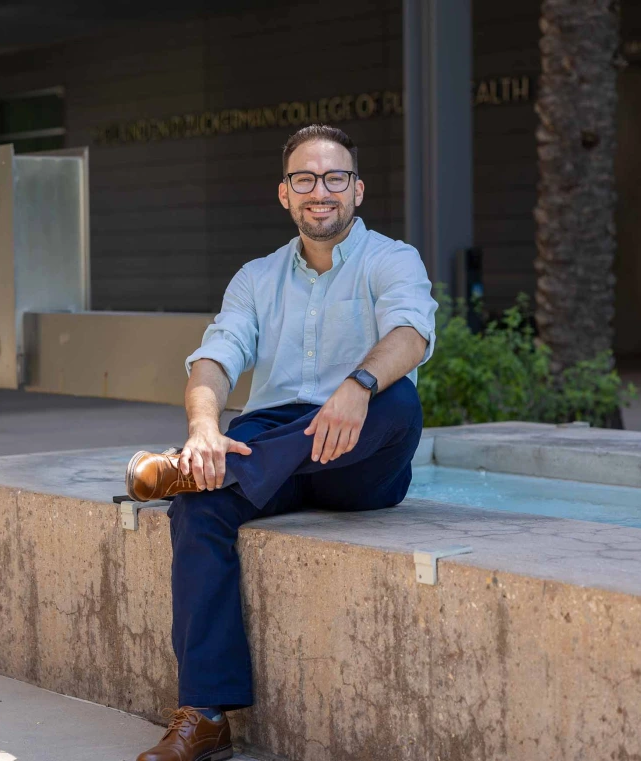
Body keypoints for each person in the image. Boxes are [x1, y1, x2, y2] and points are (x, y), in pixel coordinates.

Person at [125, 124, 438, 761]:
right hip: (277, 442)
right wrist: (204, 430)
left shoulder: (392, 258)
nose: (318, 191)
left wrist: (356, 384)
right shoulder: (255, 277)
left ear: (357, 190)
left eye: (333, 178)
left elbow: (411, 333)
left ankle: (215, 469)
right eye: (304, 179)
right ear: (284, 194)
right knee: (198, 506)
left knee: (398, 398)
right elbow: (214, 359)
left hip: (359, 457)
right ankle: (205, 716)